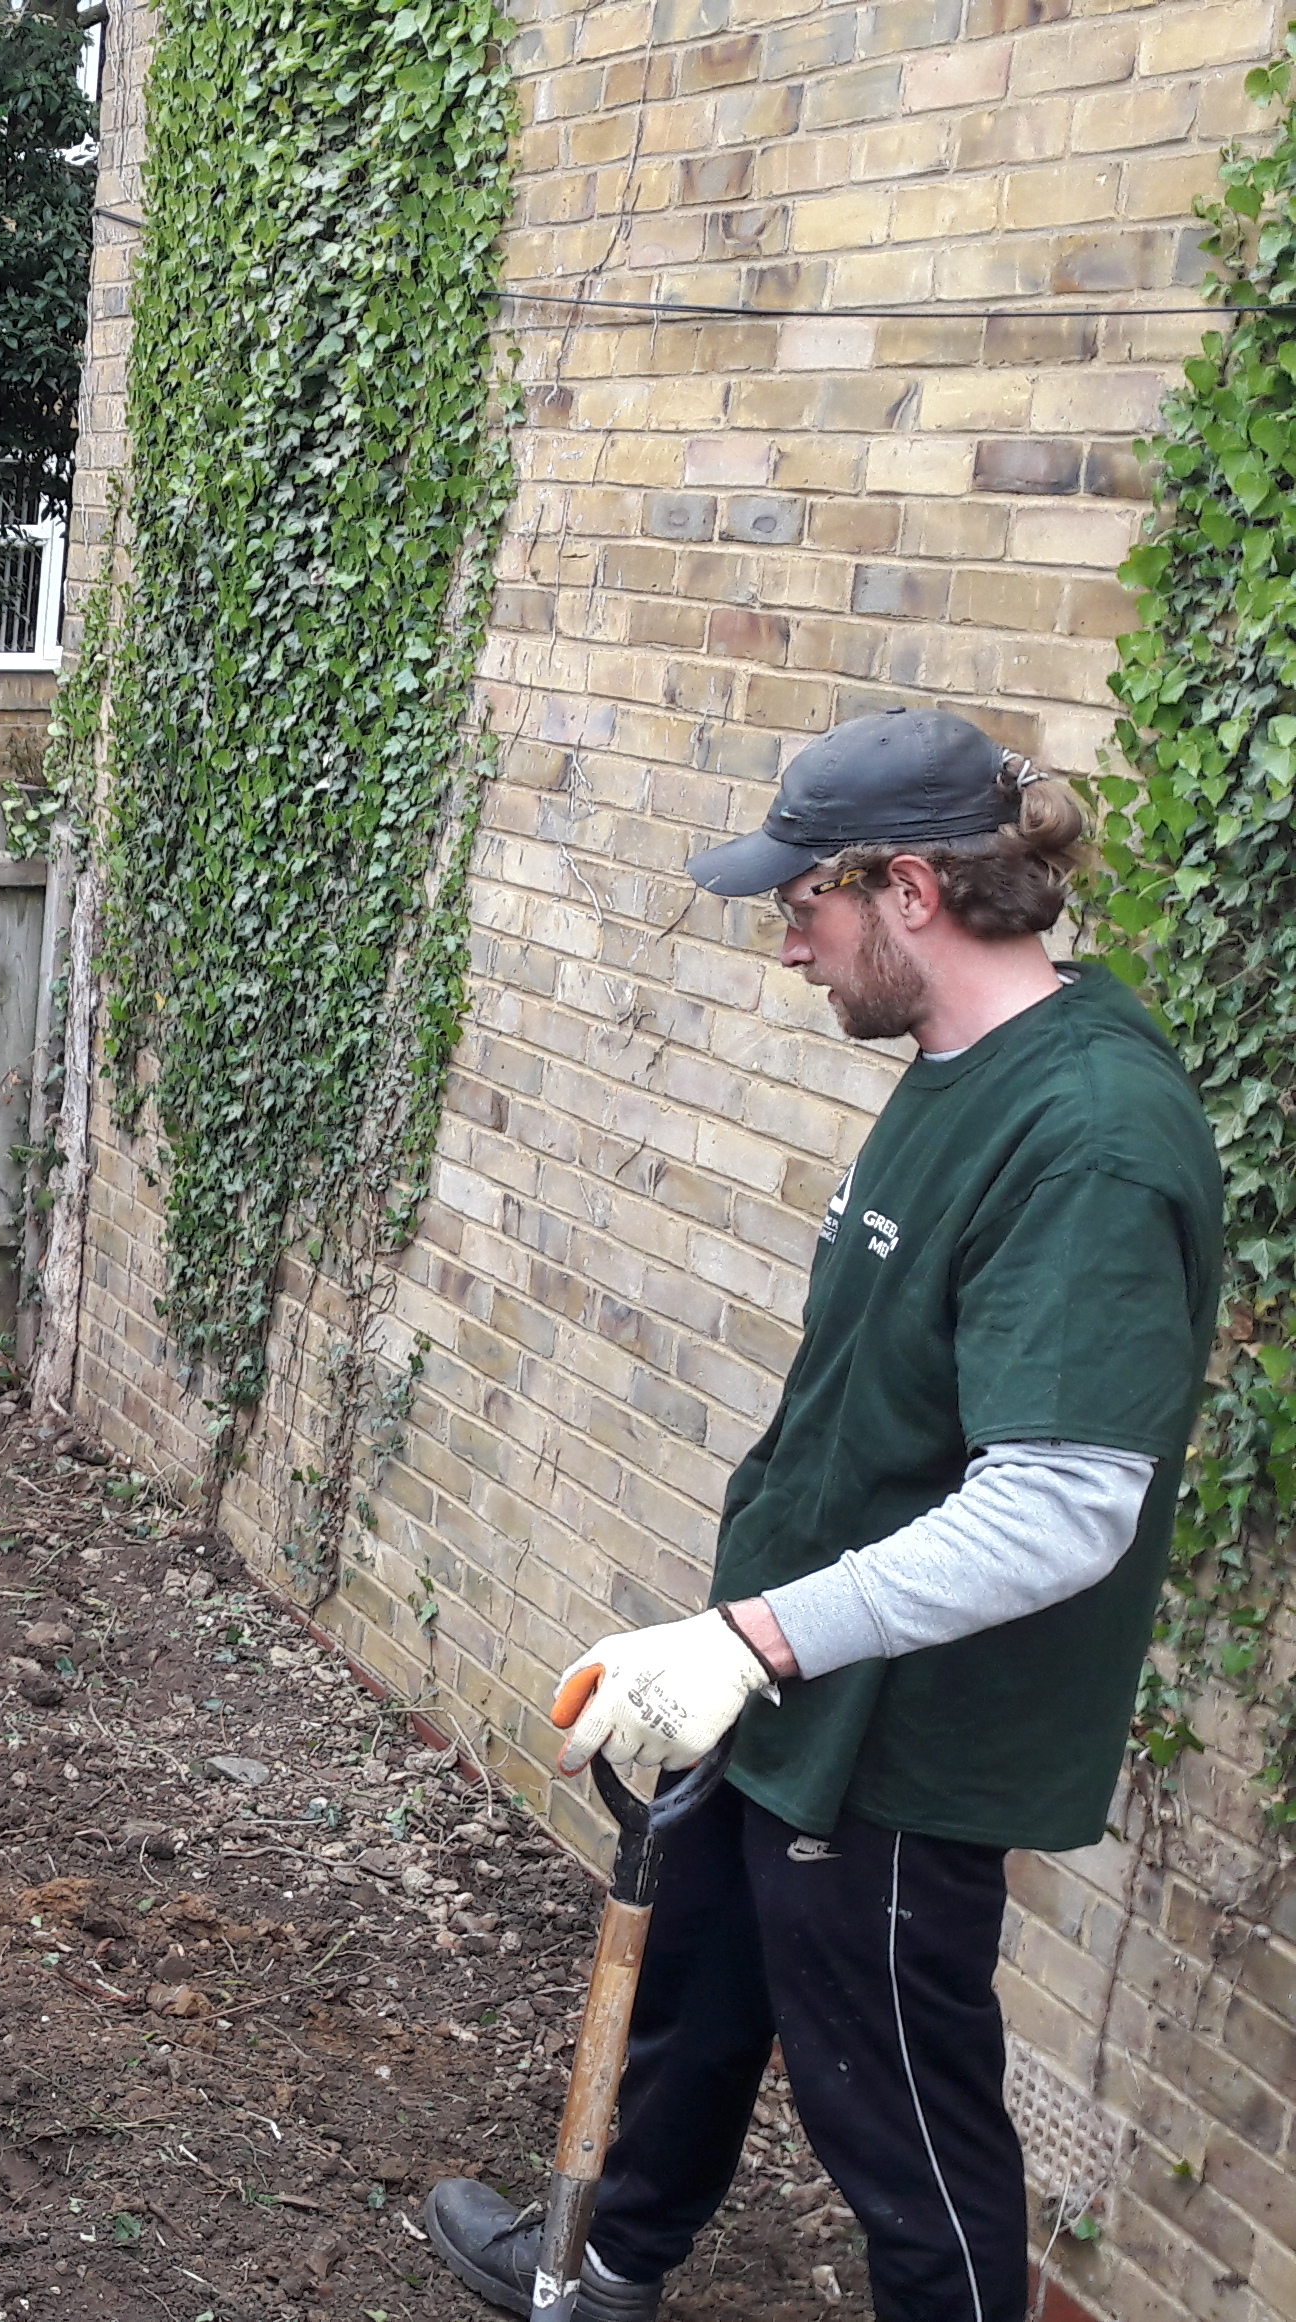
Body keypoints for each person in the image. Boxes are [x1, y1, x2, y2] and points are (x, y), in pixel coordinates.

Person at [422, 707, 1223, 2322]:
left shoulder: (1085, 1138)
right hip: (786, 1678)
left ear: (908, 887)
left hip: (900, 1738)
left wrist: (750, 1633)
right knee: (696, 1981)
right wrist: (737, 1639)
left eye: (803, 903)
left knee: (901, 2124)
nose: (785, 943)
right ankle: (597, 2261)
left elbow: (1060, 1504)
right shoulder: (955, 1066)